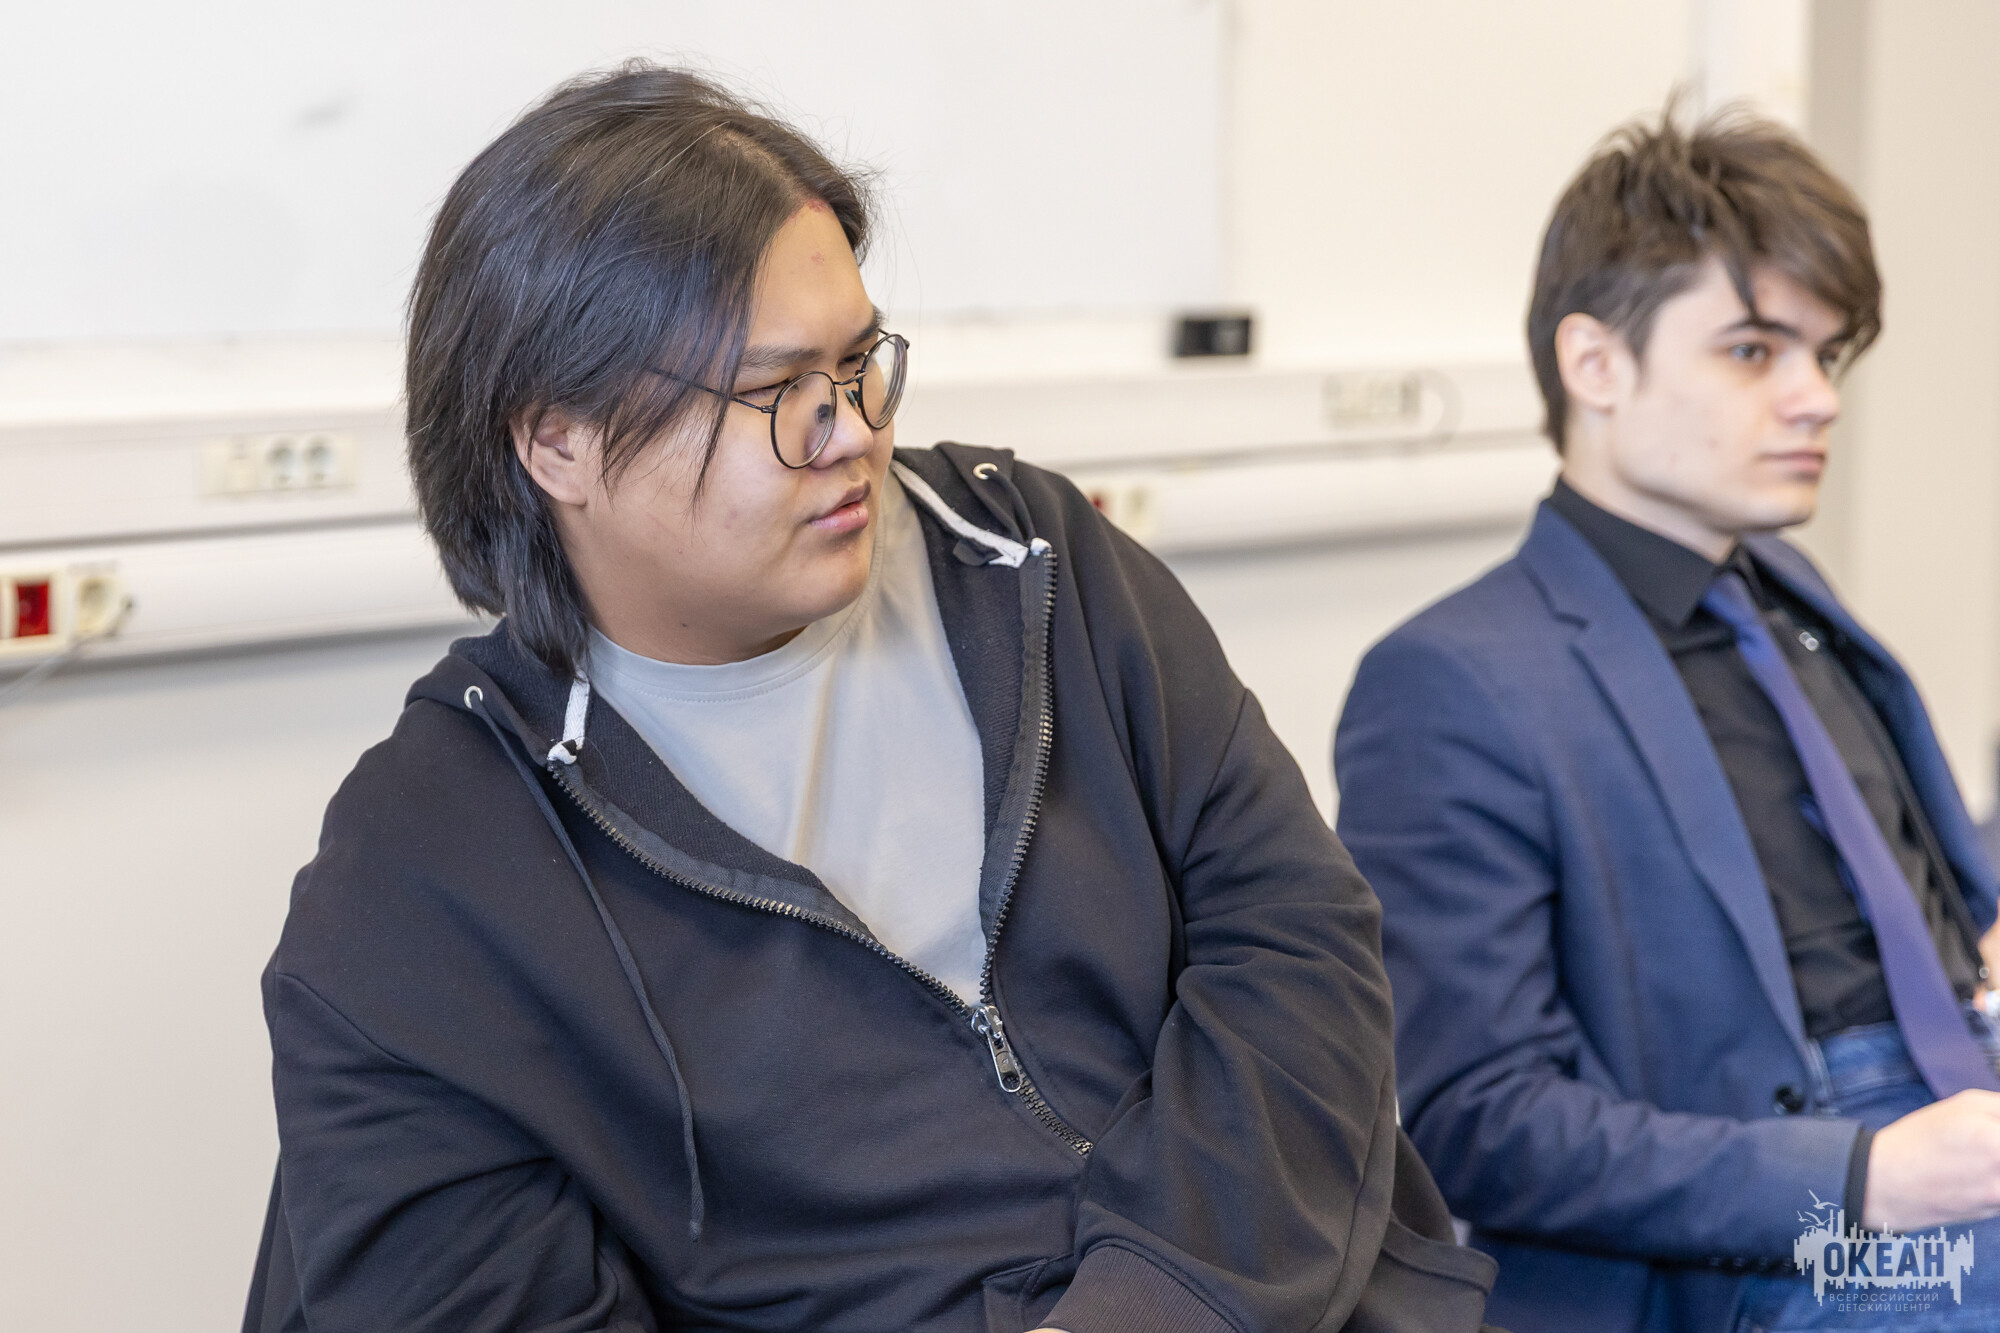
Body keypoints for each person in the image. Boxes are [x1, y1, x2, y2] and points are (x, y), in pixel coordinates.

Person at [241, 62, 1496, 1333]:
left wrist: (1143, 1310)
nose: (849, 431)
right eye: (774, 392)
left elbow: (1296, 941)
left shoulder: (1034, 562)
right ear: (556, 440)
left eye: (856, 364)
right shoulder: (428, 869)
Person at [1334, 105, 2000, 1332]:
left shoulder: (1785, 592)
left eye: (1824, 355)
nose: (1816, 398)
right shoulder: (1449, 680)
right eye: (1752, 351)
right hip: (1784, 1215)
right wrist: (1865, 1177)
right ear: (1593, 364)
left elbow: (1907, 874)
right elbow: (1477, 1122)